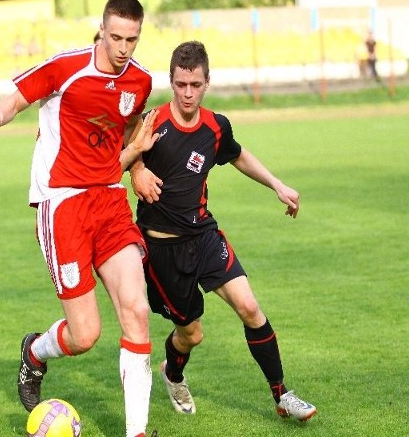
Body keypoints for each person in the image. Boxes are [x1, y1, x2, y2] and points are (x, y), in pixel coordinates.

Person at [0, 0, 158, 437]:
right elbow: (17, 97)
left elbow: (128, 128)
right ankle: (36, 352)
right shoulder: (67, 67)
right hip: (63, 205)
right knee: (85, 335)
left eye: (131, 39)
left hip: (109, 201)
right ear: (101, 29)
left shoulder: (141, 82)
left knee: (137, 309)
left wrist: (135, 166)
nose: (123, 48)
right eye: (115, 37)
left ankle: (137, 432)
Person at [130, 41, 317, 422]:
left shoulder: (216, 126)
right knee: (192, 335)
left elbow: (238, 155)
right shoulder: (151, 121)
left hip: (204, 237)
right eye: (181, 84)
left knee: (250, 307)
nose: (187, 92)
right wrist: (136, 170)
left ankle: (282, 396)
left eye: (195, 84)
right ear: (171, 81)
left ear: (207, 82)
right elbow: (117, 156)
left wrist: (277, 184)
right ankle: (173, 373)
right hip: (163, 251)